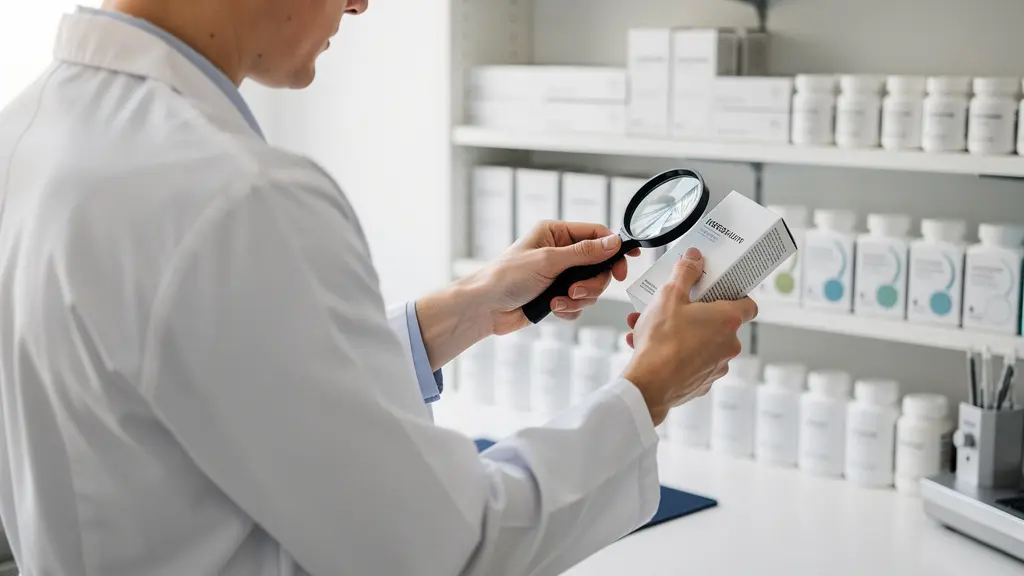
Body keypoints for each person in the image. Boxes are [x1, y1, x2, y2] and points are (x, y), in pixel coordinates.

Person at [0, 1, 757, 575]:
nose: (363, 2)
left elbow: (202, 397)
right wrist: (650, 387)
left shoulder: (28, 129)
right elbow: (446, 550)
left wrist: (459, 313)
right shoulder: (238, 195)